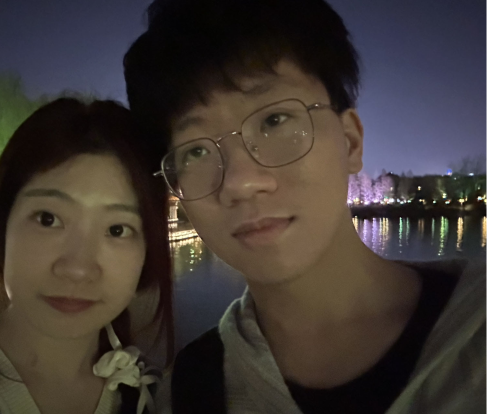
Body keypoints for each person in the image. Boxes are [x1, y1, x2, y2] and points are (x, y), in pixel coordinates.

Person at [123, 0, 487, 412]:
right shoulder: (189, 390)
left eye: (274, 121)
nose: (241, 182)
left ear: (350, 141)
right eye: (195, 151)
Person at [0, 98, 174, 414]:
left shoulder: (150, 394)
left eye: (117, 230)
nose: (77, 268)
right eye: (48, 219)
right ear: (1, 225)